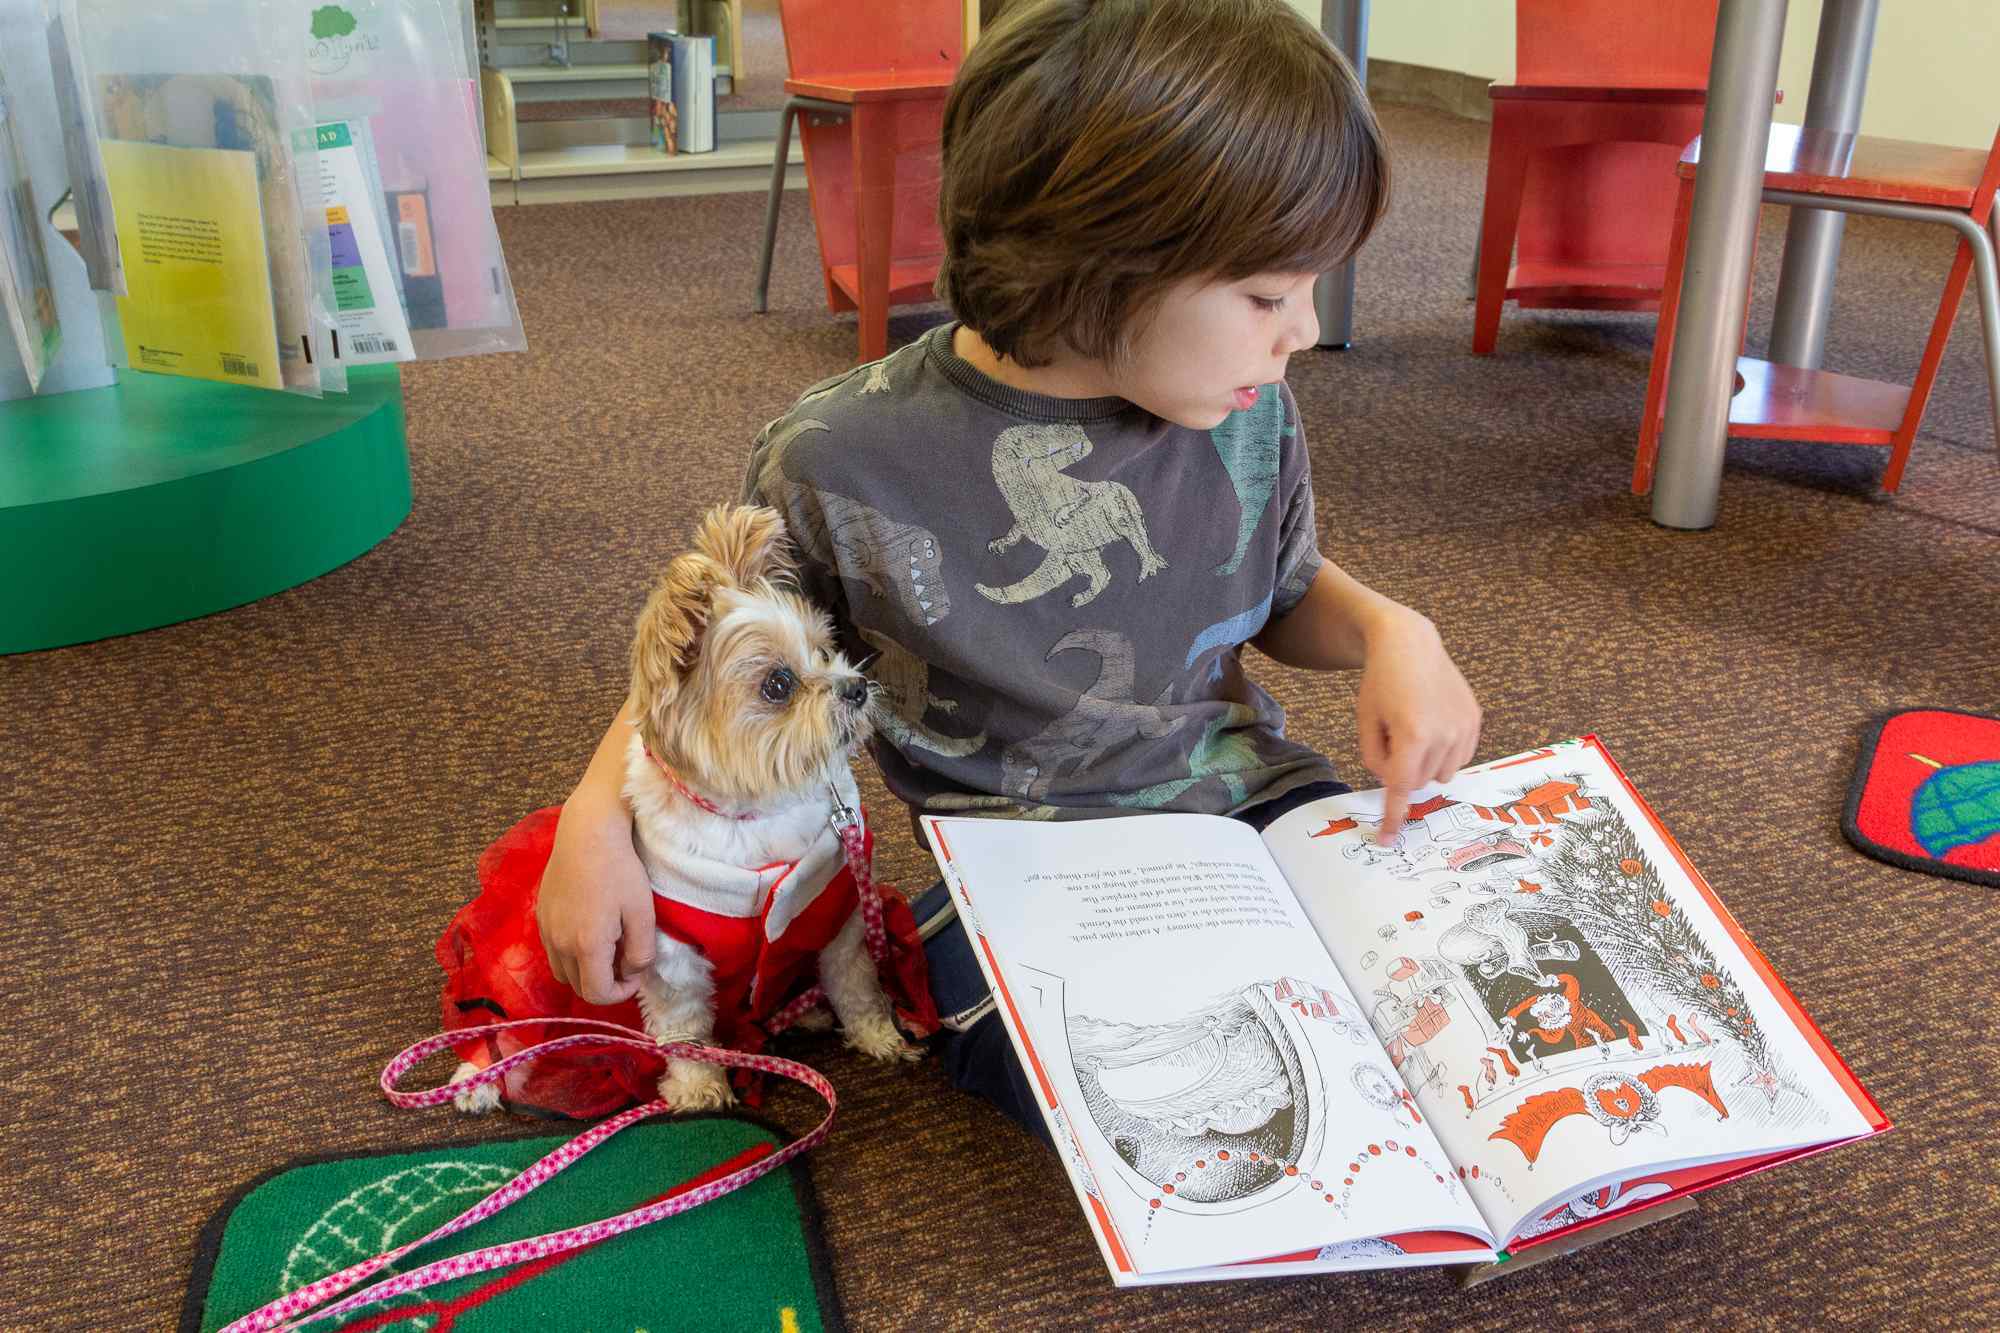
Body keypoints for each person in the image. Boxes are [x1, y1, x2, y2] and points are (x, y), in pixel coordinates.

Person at [534, 0, 1481, 1138]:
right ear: (1099, 262)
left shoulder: (1241, 406)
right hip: (1024, 867)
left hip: (1251, 805)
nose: (1303, 332)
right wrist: (593, 817)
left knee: (1454, 967)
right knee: (1115, 1074)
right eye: (1268, 296)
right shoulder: (839, 458)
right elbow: (724, 670)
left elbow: (1279, 595)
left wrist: (1392, 632)